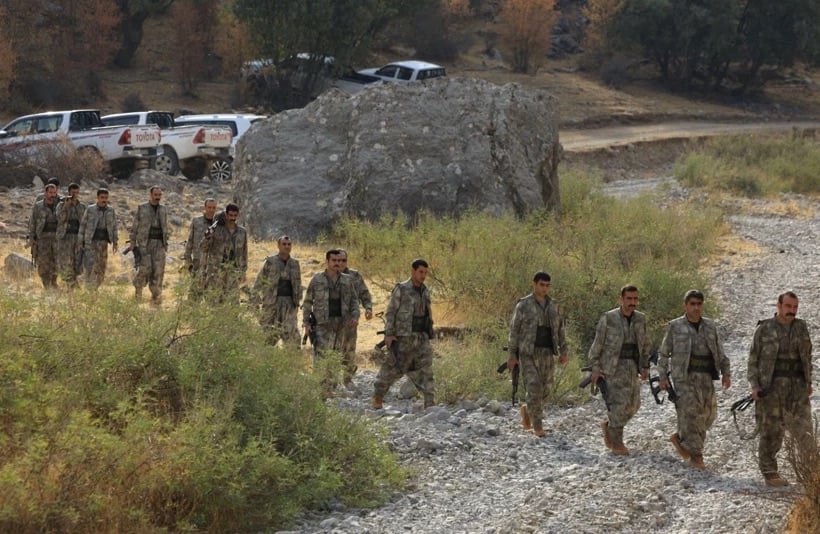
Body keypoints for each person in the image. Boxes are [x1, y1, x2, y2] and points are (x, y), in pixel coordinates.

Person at [657, 289, 731, 469]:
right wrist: (662, 376)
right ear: (685, 305)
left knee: (708, 415)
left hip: (705, 376)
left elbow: (719, 352)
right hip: (684, 377)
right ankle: (696, 455)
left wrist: (726, 372)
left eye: (699, 304)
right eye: (692, 304)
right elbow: (664, 353)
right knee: (692, 414)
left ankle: (681, 438)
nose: (696, 308)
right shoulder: (675, 327)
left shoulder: (710, 327)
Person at [748, 291, 814, 487]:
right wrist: (755, 386)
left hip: (797, 388)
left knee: (804, 429)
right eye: (788, 306)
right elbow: (753, 360)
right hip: (771, 388)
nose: (791, 311)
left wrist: (809, 382)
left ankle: (811, 472)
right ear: (778, 305)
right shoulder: (764, 329)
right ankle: (770, 472)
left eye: (795, 307)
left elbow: (807, 357)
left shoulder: (801, 328)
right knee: (771, 430)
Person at [588, 284, 651, 455]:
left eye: (635, 299)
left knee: (634, 404)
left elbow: (645, 345)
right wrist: (595, 368)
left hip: (632, 366)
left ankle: (609, 427)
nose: (632, 302)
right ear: (621, 299)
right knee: (618, 405)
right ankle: (617, 444)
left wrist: (645, 366)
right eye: (629, 299)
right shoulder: (609, 318)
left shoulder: (640, 319)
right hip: (612, 367)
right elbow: (597, 345)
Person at [506, 271, 569, 438]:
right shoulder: (523, 305)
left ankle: (528, 410)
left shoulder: (553, 305)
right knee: (534, 387)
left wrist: (564, 351)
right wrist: (512, 355)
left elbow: (560, 330)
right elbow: (514, 330)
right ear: (534, 284)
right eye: (541, 285)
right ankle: (538, 426)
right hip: (528, 352)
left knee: (546, 389)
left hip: (547, 352)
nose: (544, 288)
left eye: (547, 285)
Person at [373, 259, 436, 409]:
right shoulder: (401, 289)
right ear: (413, 271)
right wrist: (389, 334)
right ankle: (378, 396)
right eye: (420, 272)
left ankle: (429, 401)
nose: (423, 276)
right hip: (404, 337)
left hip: (421, 336)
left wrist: (429, 332)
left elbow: (427, 314)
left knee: (426, 368)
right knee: (394, 368)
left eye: (425, 273)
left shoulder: (425, 291)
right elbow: (391, 312)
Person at [302, 249, 359, 392]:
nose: (337, 263)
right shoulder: (317, 279)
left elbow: (354, 301)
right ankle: (321, 387)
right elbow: (308, 301)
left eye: (339, 261)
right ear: (327, 261)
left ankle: (331, 386)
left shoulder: (347, 280)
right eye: (334, 260)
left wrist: (355, 316)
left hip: (340, 324)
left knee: (336, 353)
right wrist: (306, 323)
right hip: (322, 324)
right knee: (321, 354)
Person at [252, 235, 302, 345]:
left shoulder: (295, 264)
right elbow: (258, 283)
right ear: (278, 246)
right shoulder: (270, 262)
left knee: (292, 338)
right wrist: (255, 303)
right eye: (284, 244)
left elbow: (298, 285)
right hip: (271, 304)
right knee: (268, 336)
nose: (287, 246)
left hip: (289, 304)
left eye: (289, 244)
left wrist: (297, 302)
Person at [199, 203, 248, 303]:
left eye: (235, 216)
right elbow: (203, 248)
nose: (232, 218)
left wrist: (243, 271)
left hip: (233, 273)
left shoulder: (242, 232)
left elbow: (244, 253)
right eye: (230, 215)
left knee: (232, 303)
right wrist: (207, 237)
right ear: (226, 214)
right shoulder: (216, 230)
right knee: (213, 302)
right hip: (216, 273)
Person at [338, 249, 373, 386]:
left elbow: (364, 293)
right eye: (338, 260)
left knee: (349, 348)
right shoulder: (327, 276)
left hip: (350, 319)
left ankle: (347, 378)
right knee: (332, 348)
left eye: (344, 260)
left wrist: (368, 308)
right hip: (332, 319)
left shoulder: (354, 275)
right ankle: (330, 380)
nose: (341, 263)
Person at [129, 186, 169, 304]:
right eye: (155, 195)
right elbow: (135, 226)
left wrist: (165, 242)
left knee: (159, 270)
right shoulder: (142, 208)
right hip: (145, 244)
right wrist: (132, 241)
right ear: (150, 195)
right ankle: (138, 294)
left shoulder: (163, 209)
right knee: (144, 269)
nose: (157, 197)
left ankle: (155, 297)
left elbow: (165, 227)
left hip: (159, 244)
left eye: (159, 195)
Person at [78, 188, 118, 289]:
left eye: (106, 198)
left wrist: (115, 242)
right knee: (90, 265)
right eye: (102, 197)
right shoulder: (90, 209)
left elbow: (114, 226)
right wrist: (80, 241)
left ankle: (95, 287)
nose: (104, 200)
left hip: (103, 243)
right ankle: (89, 288)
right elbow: (83, 225)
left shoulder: (111, 211)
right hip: (91, 242)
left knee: (102, 267)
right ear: (98, 197)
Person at [28, 183, 60, 287]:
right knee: (43, 262)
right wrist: (31, 237)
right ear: (45, 193)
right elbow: (32, 222)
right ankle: (46, 284)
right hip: (42, 239)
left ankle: (54, 282)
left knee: (56, 262)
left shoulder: (59, 206)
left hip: (56, 238)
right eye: (50, 192)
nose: (52, 195)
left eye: (54, 193)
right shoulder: (38, 206)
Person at [183, 198, 217, 297]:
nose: (211, 210)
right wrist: (188, 259)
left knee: (211, 292)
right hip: (198, 261)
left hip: (213, 263)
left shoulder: (219, 224)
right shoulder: (197, 221)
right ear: (204, 207)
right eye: (209, 207)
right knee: (195, 291)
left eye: (213, 208)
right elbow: (190, 240)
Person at [55, 182, 86, 287]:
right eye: (73, 192)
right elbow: (60, 219)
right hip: (65, 237)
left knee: (78, 261)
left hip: (77, 237)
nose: (75, 195)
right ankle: (70, 283)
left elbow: (84, 222)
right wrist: (66, 207)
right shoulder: (61, 205)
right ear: (69, 192)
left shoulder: (82, 206)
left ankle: (74, 281)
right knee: (65, 260)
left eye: (77, 192)